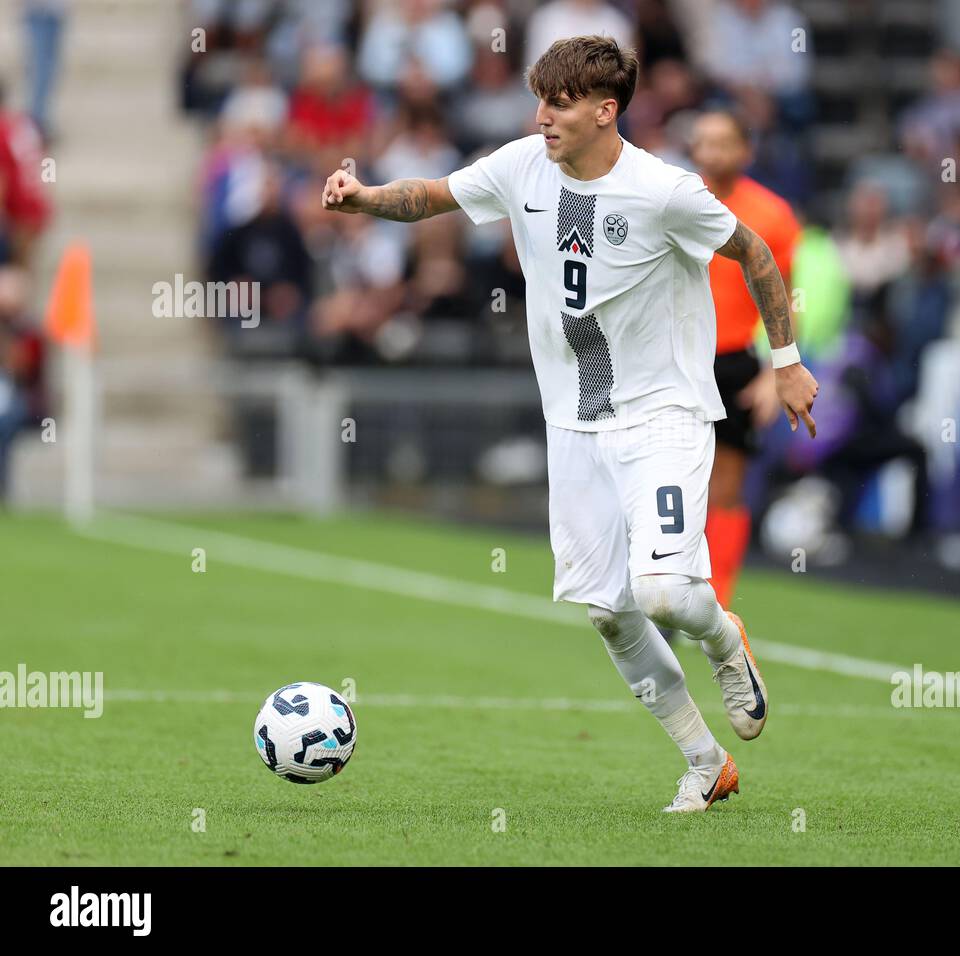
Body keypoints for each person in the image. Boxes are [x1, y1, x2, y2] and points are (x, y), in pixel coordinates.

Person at [321, 36, 819, 813]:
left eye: (559, 103)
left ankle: (726, 640)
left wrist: (785, 361)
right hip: (576, 424)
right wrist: (365, 196)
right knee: (608, 612)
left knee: (660, 591)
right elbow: (434, 195)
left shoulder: (664, 190)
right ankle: (703, 760)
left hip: (663, 415)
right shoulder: (523, 166)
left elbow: (753, 250)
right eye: (541, 100)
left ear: (604, 110)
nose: (544, 116)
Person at [688, 108, 800, 611]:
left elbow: (784, 298)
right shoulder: (677, 201)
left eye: (722, 143)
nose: (712, 153)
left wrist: (776, 370)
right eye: (703, 142)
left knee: (726, 487)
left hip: (734, 360)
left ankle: (716, 600)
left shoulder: (773, 215)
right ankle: (672, 588)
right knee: (674, 481)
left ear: (744, 151)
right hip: (676, 359)